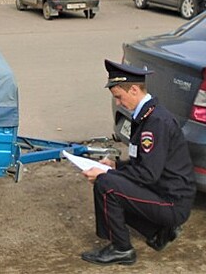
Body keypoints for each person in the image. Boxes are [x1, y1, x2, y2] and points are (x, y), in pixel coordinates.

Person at [80, 59, 196, 266]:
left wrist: (106, 174)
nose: (118, 103)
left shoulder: (155, 122)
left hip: (172, 202)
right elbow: (144, 163)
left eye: (119, 97)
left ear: (133, 89)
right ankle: (158, 232)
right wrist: (115, 167)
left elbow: (147, 174)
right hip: (164, 192)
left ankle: (122, 249)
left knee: (107, 186)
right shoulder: (146, 116)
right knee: (110, 180)